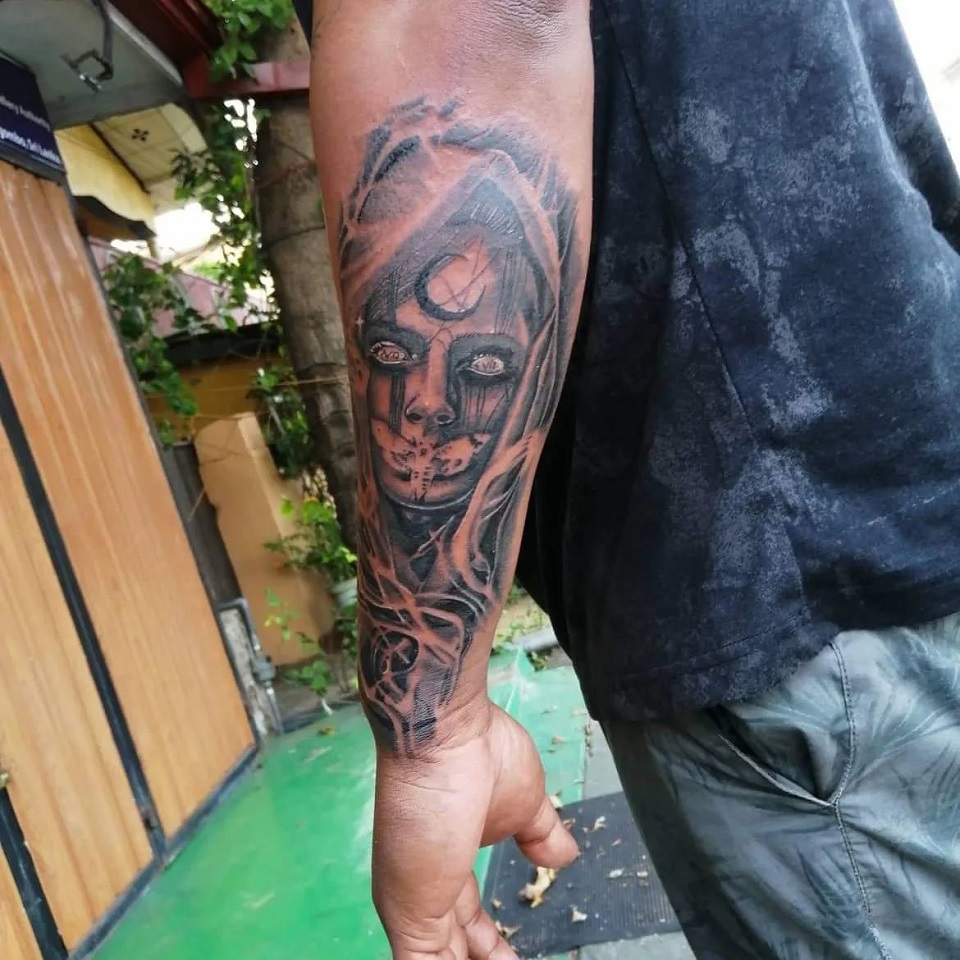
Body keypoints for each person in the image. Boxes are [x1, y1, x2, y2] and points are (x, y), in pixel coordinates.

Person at [297, 0, 960, 956]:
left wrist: (429, 725)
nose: (429, 406)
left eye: (476, 366)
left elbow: (472, 22)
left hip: (768, 585)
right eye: (404, 357)